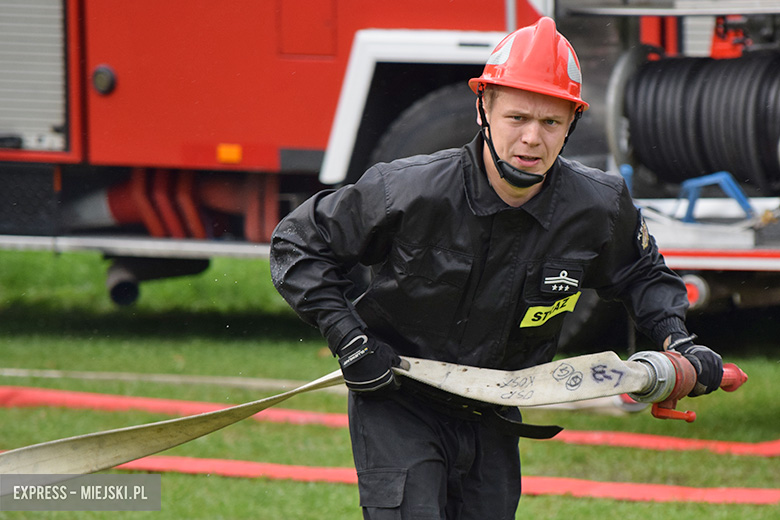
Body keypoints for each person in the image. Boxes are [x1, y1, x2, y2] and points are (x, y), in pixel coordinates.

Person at [270, 16, 723, 519]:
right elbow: (297, 244)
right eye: (517, 118)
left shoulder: (598, 206)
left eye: (550, 123)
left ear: (572, 124)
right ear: (483, 108)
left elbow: (642, 275)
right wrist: (349, 339)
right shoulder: (407, 191)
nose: (532, 138)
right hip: (398, 400)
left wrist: (679, 341)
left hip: (495, 410)